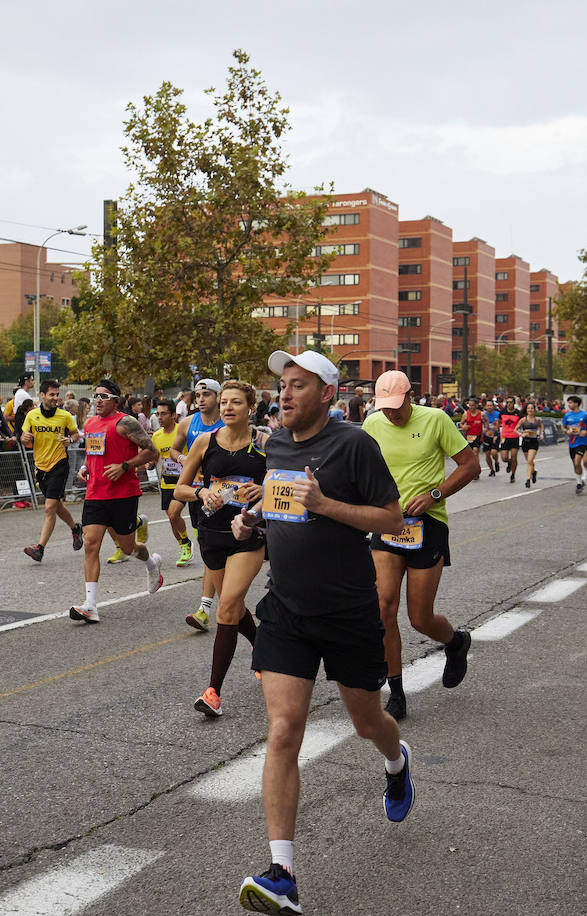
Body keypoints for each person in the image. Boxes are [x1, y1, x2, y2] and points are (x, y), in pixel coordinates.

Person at [232, 351, 413, 914]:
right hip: (287, 609)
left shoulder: (354, 444)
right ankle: (281, 871)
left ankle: (396, 760)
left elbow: (391, 518)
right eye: (281, 385)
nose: (283, 395)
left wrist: (328, 503)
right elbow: (279, 492)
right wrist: (254, 514)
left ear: (328, 393)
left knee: (366, 722)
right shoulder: (277, 443)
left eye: (298, 386)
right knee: (284, 731)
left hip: (347, 611)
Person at [362, 369, 477, 722]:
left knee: (419, 618)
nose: (391, 414)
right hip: (387, 522)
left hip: (427, 524)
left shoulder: (436, 419)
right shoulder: (372, 424)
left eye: (396, 406)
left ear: (411, 396)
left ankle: (455, 642)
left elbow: (470, 465)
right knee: (383, 606)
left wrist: (434, 494)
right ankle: (395, 692)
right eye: (385, 407)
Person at [174, 381, 266, 717]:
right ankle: (261, 648)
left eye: (236, 403)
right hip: (210, 534)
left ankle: (213, 692)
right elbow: (180, 489)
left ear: (250, 408)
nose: (227, 408)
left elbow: (283, 482)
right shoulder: (203, 441)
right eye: (224, 402)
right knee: (235, 606)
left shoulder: (265, 444)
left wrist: (264, 488)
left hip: (247, 537)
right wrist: (201, 493)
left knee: (226, 607)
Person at [68, 380, 163, 623]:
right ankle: (90, 605)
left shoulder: (125, 423)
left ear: (116, 401)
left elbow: (152, 451)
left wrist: (125, 466)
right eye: (96, 396)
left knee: (128, 548)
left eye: (104, 397)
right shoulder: (90, 424)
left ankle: (152, 564)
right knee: (91, 544)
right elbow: (93, 454)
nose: (98, 401)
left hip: (123, 495)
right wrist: (84, 468)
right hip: (96, 494)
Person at [171, 379, 224, 629]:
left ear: (217, 396)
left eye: (206, 394)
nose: (201, 399)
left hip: (228, 494)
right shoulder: (187, 423)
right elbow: (173, 450)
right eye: (198, 395)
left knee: (227, 549)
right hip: (198, 492)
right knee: (209, 549)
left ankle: (214, 606)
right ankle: (210, 607)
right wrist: (185, 460)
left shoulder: (229, 421)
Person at [20, 379, 84, 562]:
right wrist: (24, 438)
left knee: (49, 508)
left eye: (57, 394)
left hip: (59, 465)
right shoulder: (32, 415)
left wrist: (70, 441)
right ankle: (75, 528)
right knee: (56, 506)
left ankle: (39, 548)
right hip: (40, 467)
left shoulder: (64, 416)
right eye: (52, 395)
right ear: (42, 395)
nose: (56, 398)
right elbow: (25, 439)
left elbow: (76, 434)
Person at [149, 399, 193, 567]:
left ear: (174, 415)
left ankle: (188, 543)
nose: (159, 417)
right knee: (171, 517)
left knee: (174, 513)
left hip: (185, 479)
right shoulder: (157, 435)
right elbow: (155, 457)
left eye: (163, 413)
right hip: (167, 480)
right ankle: (184, 545)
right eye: (157, 414)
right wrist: (151, 463)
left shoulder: (183, 432)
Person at [561, 395, 587, 494]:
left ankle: (579, 484)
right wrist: (566, 431)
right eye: (568, 403)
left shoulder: (585, 415)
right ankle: (580, 481)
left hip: (582, 442)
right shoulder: (567, 415)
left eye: (570, 402)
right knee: (575, 465)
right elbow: (563, 426)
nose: (569, 404)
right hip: (572, 443)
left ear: (576, 403)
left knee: (577, 462)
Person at [517, 401, 542, 489]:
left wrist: (541, 434)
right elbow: (515, 429)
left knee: (529, 461)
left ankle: (528, 479)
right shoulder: (523, 420)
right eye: (528, 408)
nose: (530, 410)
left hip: (534, 442)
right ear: (526, 410)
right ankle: (533, 472)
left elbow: (541, 426)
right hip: (525, 442)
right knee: (530, 461)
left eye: (532, 408)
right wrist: (521, 434)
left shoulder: (537, 420)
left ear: (534, 410)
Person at [498, 398, 521, 483]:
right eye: (507, 402)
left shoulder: (518, 413)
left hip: (514, 436)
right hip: (504, 436)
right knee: (504, 458)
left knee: (514, 456)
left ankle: (513, 475)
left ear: (514, 403)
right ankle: (509, 462)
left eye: (510, 402)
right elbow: (499, 422)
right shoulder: (502, 412)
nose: (508, 404)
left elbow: (521, 422)